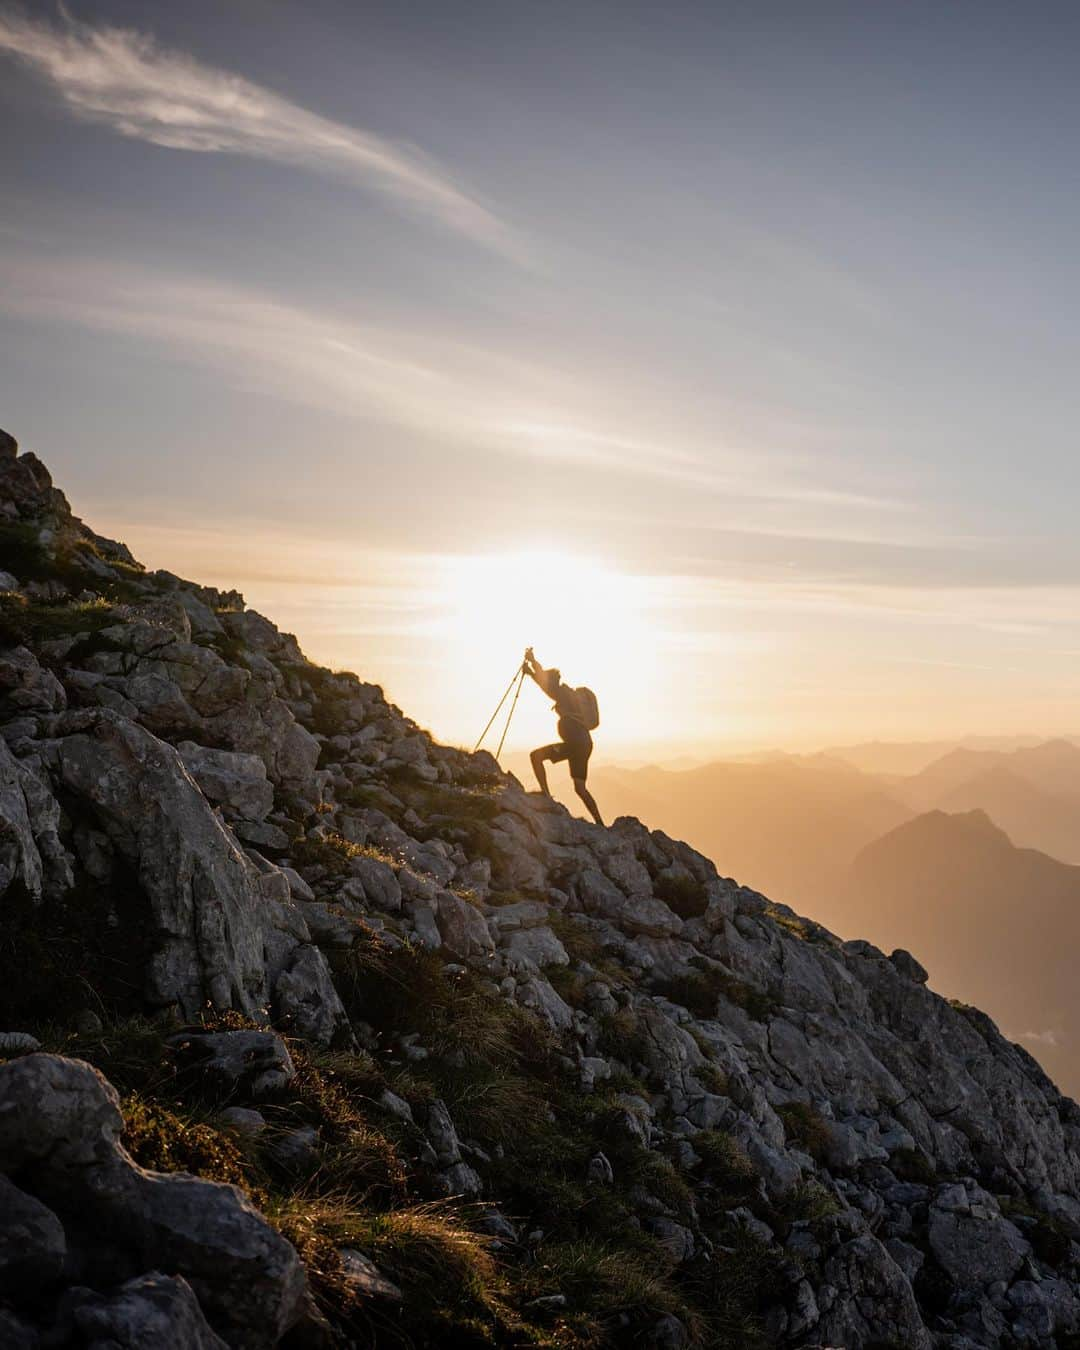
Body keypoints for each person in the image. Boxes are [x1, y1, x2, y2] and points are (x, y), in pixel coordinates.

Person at [522, 647, 604, 826]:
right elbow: (544, 679)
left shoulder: (562, 693)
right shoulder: (567, 695)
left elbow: (545, 683)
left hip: (575, 743)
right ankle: (599, 822)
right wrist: (533, 666)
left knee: (536, 757)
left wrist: (531, 666)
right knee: (580, 788)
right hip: (584, 744)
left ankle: (546, 796)